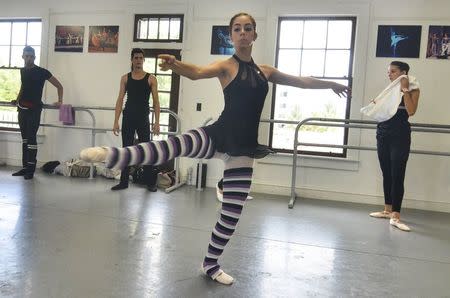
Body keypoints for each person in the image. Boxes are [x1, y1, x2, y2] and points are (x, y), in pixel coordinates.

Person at [80, 12, 349, 285]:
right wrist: (175, 64)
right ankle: (111, 155)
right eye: (237, 29)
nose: (242, 33)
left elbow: (301, 81)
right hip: (217, 135)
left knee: (231, 214)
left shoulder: (264, 71)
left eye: (247, 29)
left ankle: (210, 264)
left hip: (243, 149)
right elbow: (196, 73)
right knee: (170, 146)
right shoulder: (226, 67)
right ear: (231, 36)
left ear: (255, 35)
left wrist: (331, 84)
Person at [369, 61, 420, 232]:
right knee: (387, 172)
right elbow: (383, 112)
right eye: (388, 71)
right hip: (383, 133)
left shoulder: (413, 89)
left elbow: (411, 111)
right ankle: (387, 210)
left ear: (403, 73)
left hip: (400, 135)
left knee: (398, 174)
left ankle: (396, 216)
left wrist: (404, 88)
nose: (389, 74)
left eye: (393, 71)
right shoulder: (389, 89)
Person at [111, 48, 160, 191]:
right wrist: (116, 121)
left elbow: (156, 102)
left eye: (140, 58)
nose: (138, 60)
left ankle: (150, 182)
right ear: (132, 60)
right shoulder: (125, 78)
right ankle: (124, 182)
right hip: (128, 117)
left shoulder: (151, 78)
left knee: (147, 150)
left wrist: (157, 122)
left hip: (143, 118)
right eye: (136, 58)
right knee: (126, 149)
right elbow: (120, 99)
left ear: (143, 60)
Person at [11, 46, 64, 180]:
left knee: (31, 138)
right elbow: (23, 86)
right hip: (22, 108)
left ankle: (31, 169)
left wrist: (60, 101)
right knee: (24, 139)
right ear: (23, 56)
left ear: (34, 57)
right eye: (26, 56)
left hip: (34, 109)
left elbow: (59, 86)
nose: (28, 58)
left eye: (31, 56)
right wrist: (17, 100)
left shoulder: (42, 72)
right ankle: (24, 168)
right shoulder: (22, 71)